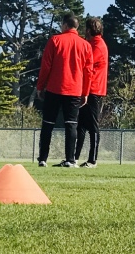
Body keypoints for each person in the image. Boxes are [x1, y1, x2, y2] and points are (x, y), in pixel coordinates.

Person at [36, 13, 93, 168]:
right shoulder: (85, 45)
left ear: (65, 25)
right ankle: (70, 159)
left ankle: (43, 158)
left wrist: (40, 86)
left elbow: (46, 66)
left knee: (48, 124)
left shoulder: (55, 40)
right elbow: (88, 72)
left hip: (54, 88)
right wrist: (85, 92)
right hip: (74, 90)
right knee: (71, 125)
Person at [75, 16, 108, 168]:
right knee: (81, 125)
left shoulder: (97, 45)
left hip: (93, 90)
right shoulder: (93, 43)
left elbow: (87, 66)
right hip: (87, 88)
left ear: (88, 30)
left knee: (93, 126)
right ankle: (74, 158)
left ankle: (92, 160)